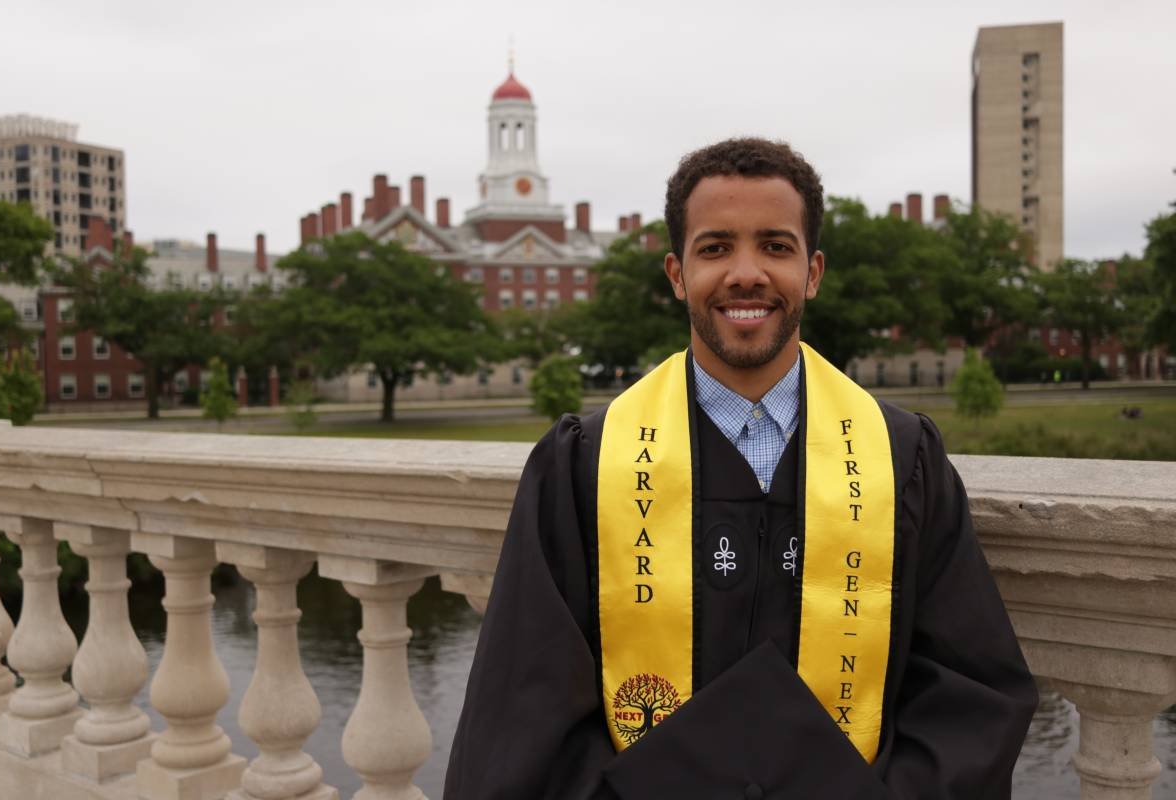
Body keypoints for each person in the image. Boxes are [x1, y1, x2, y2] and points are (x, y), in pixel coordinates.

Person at [444, 138, 1037, 799]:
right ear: (677, 274)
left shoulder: (900, 460)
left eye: (776, 247)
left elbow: (969, 695)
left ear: (812, 273)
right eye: (716, 247)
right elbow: (524, 710)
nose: (746, 273)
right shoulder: (588, 463)